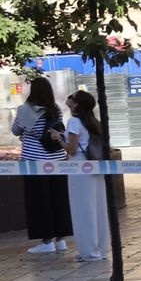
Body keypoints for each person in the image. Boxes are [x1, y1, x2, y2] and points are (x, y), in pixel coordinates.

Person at [11, 78, 72, 254]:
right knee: (59, 199)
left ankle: (47, 241)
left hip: (35, 162)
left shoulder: (25, 110)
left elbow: (15, 131)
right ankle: (61, 240)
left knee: (39, 201)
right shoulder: (56, 110)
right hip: (57, 160)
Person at [63, 91, 111, 262]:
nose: (68, 98)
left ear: (76, 104)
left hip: (79, 169)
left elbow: (72, 149)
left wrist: (58, 138)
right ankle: (100, 248)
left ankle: (89, 251)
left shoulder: (74, 121)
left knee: (82, 210)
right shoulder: (93, 122)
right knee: (97, 208)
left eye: (72, 97)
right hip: (94, 167)